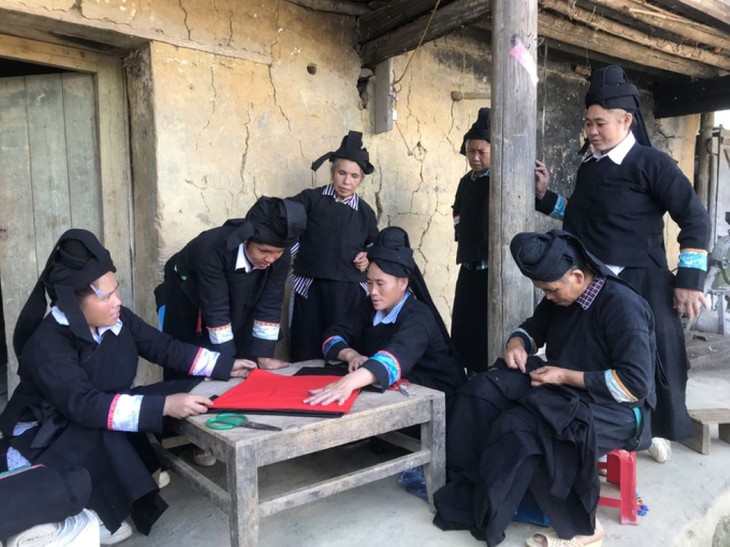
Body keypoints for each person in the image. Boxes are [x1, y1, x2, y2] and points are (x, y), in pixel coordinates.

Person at [0, 229, 253, 544]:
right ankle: (101, 510)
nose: (117, 302)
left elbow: (164, 347)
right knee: (112, 421)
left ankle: (134, 472)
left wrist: (224, 366)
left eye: (115, 290)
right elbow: (85, 406)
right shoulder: (47, 345)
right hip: (51, 430)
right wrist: (163, 406)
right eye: (106, 296)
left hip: (100, 404)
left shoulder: (117, 320)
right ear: (72, 302)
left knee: (192, 389)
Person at [433, 229, 657, 547]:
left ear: (578, 275)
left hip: (619, 409)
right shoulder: (562, 297)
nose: (548, 297)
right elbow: (532, 328)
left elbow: (634, 386)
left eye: (550, 290)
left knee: (528, 427)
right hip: (564, 390)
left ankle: (584, 527)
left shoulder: (622, 307)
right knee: (482, 391)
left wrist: (565, 376)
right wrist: (517, 343)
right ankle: (473, 487)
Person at [534, 64, 711, 462]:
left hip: (642, 281)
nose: (591, 131)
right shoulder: (590, 168)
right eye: (587, 123)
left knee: (650, 359)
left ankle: (655, 429)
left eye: (599, 123)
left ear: (626, 120)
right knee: (592, 357)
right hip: (595, 285)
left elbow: (694, 217)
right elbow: (579, 216)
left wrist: (689, 280)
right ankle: (603, 428)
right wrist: (546, 197)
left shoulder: (653, 164)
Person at [304, 227, 467, 406]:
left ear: (403, 283)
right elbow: (332, 337)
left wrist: (347, 383)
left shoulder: (419, 316)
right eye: (369, 282)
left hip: (435, 395)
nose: (373, 291)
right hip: (394, 388)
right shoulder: (369, 307)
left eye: (380, 283)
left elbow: (394, 358)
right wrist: (351, 355)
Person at [155, 196, 306, 374]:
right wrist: (226, 364)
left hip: (239, 296)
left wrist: (264, 355)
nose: (270, 259)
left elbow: (271, 302)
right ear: (245, 239)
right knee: (193, 364)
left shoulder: (280, 257)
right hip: (188, 299)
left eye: (277, 253)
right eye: (264, 251)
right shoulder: (210, 249)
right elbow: (216, 307)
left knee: (248, 360)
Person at [287, 130, 379, 362]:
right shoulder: (310, 199)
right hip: (310, 285)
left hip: (347, 291)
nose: (347, 181)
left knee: (341, 347)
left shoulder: (365, 212)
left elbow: (373, 245)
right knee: (306, 346)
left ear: (361, 179)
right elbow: (284, 223)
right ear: (332, 172)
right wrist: (296, 252)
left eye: (354, 176)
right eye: (342, 173)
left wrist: (368, 257)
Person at [451, 107, 492, 375]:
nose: (475, 158)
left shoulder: (502, 181)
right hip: (468, 265)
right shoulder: (466, 182)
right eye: (470, 152)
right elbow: (457, 212)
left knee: (488, 329)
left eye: (481, 152)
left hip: (493, 270)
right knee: (464, 327)